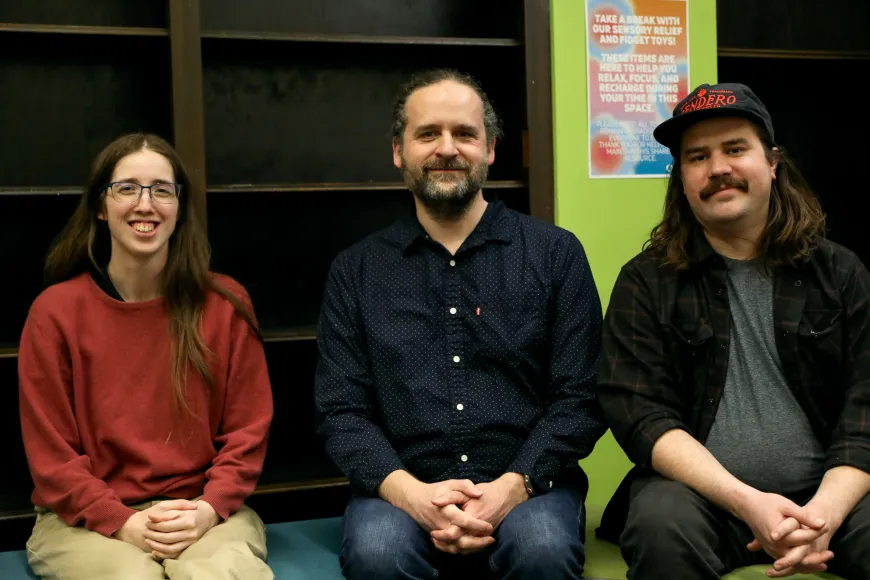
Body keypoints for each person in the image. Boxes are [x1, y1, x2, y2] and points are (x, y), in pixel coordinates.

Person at [314, 69, 607, 580]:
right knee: (377, 554)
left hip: (530, 485)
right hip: (402, 487)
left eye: (464, 134)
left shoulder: (555, 254)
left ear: (490, 149)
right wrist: (414, 495)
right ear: (398, 152)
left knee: (541, 550)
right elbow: (341, 411)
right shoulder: (356, 271)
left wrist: (512, 486)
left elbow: (581, 396)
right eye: (428, 134)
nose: (447, 148)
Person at [596, 82, 870, 579]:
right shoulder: (645, 281)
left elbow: (866, 402)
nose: (718, 167)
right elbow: (639, 413)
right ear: (681, 179)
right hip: (706, 502)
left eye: (735, 149)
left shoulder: (842, 272)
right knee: (658, 525)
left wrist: (824, 513)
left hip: (829, 497)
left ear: (772, 162)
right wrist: (747, 503)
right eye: (697, 156)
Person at [18, 133, 275, 579]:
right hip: (83, 522)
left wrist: (209, 509)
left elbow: (248, 432)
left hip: (204, 514)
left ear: (179, 206)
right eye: (127, 188)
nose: (145, 204)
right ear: (101, 206)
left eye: (161, 190)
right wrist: (121, 522)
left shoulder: (225, 303)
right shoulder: (54, 313)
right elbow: (52, 457)